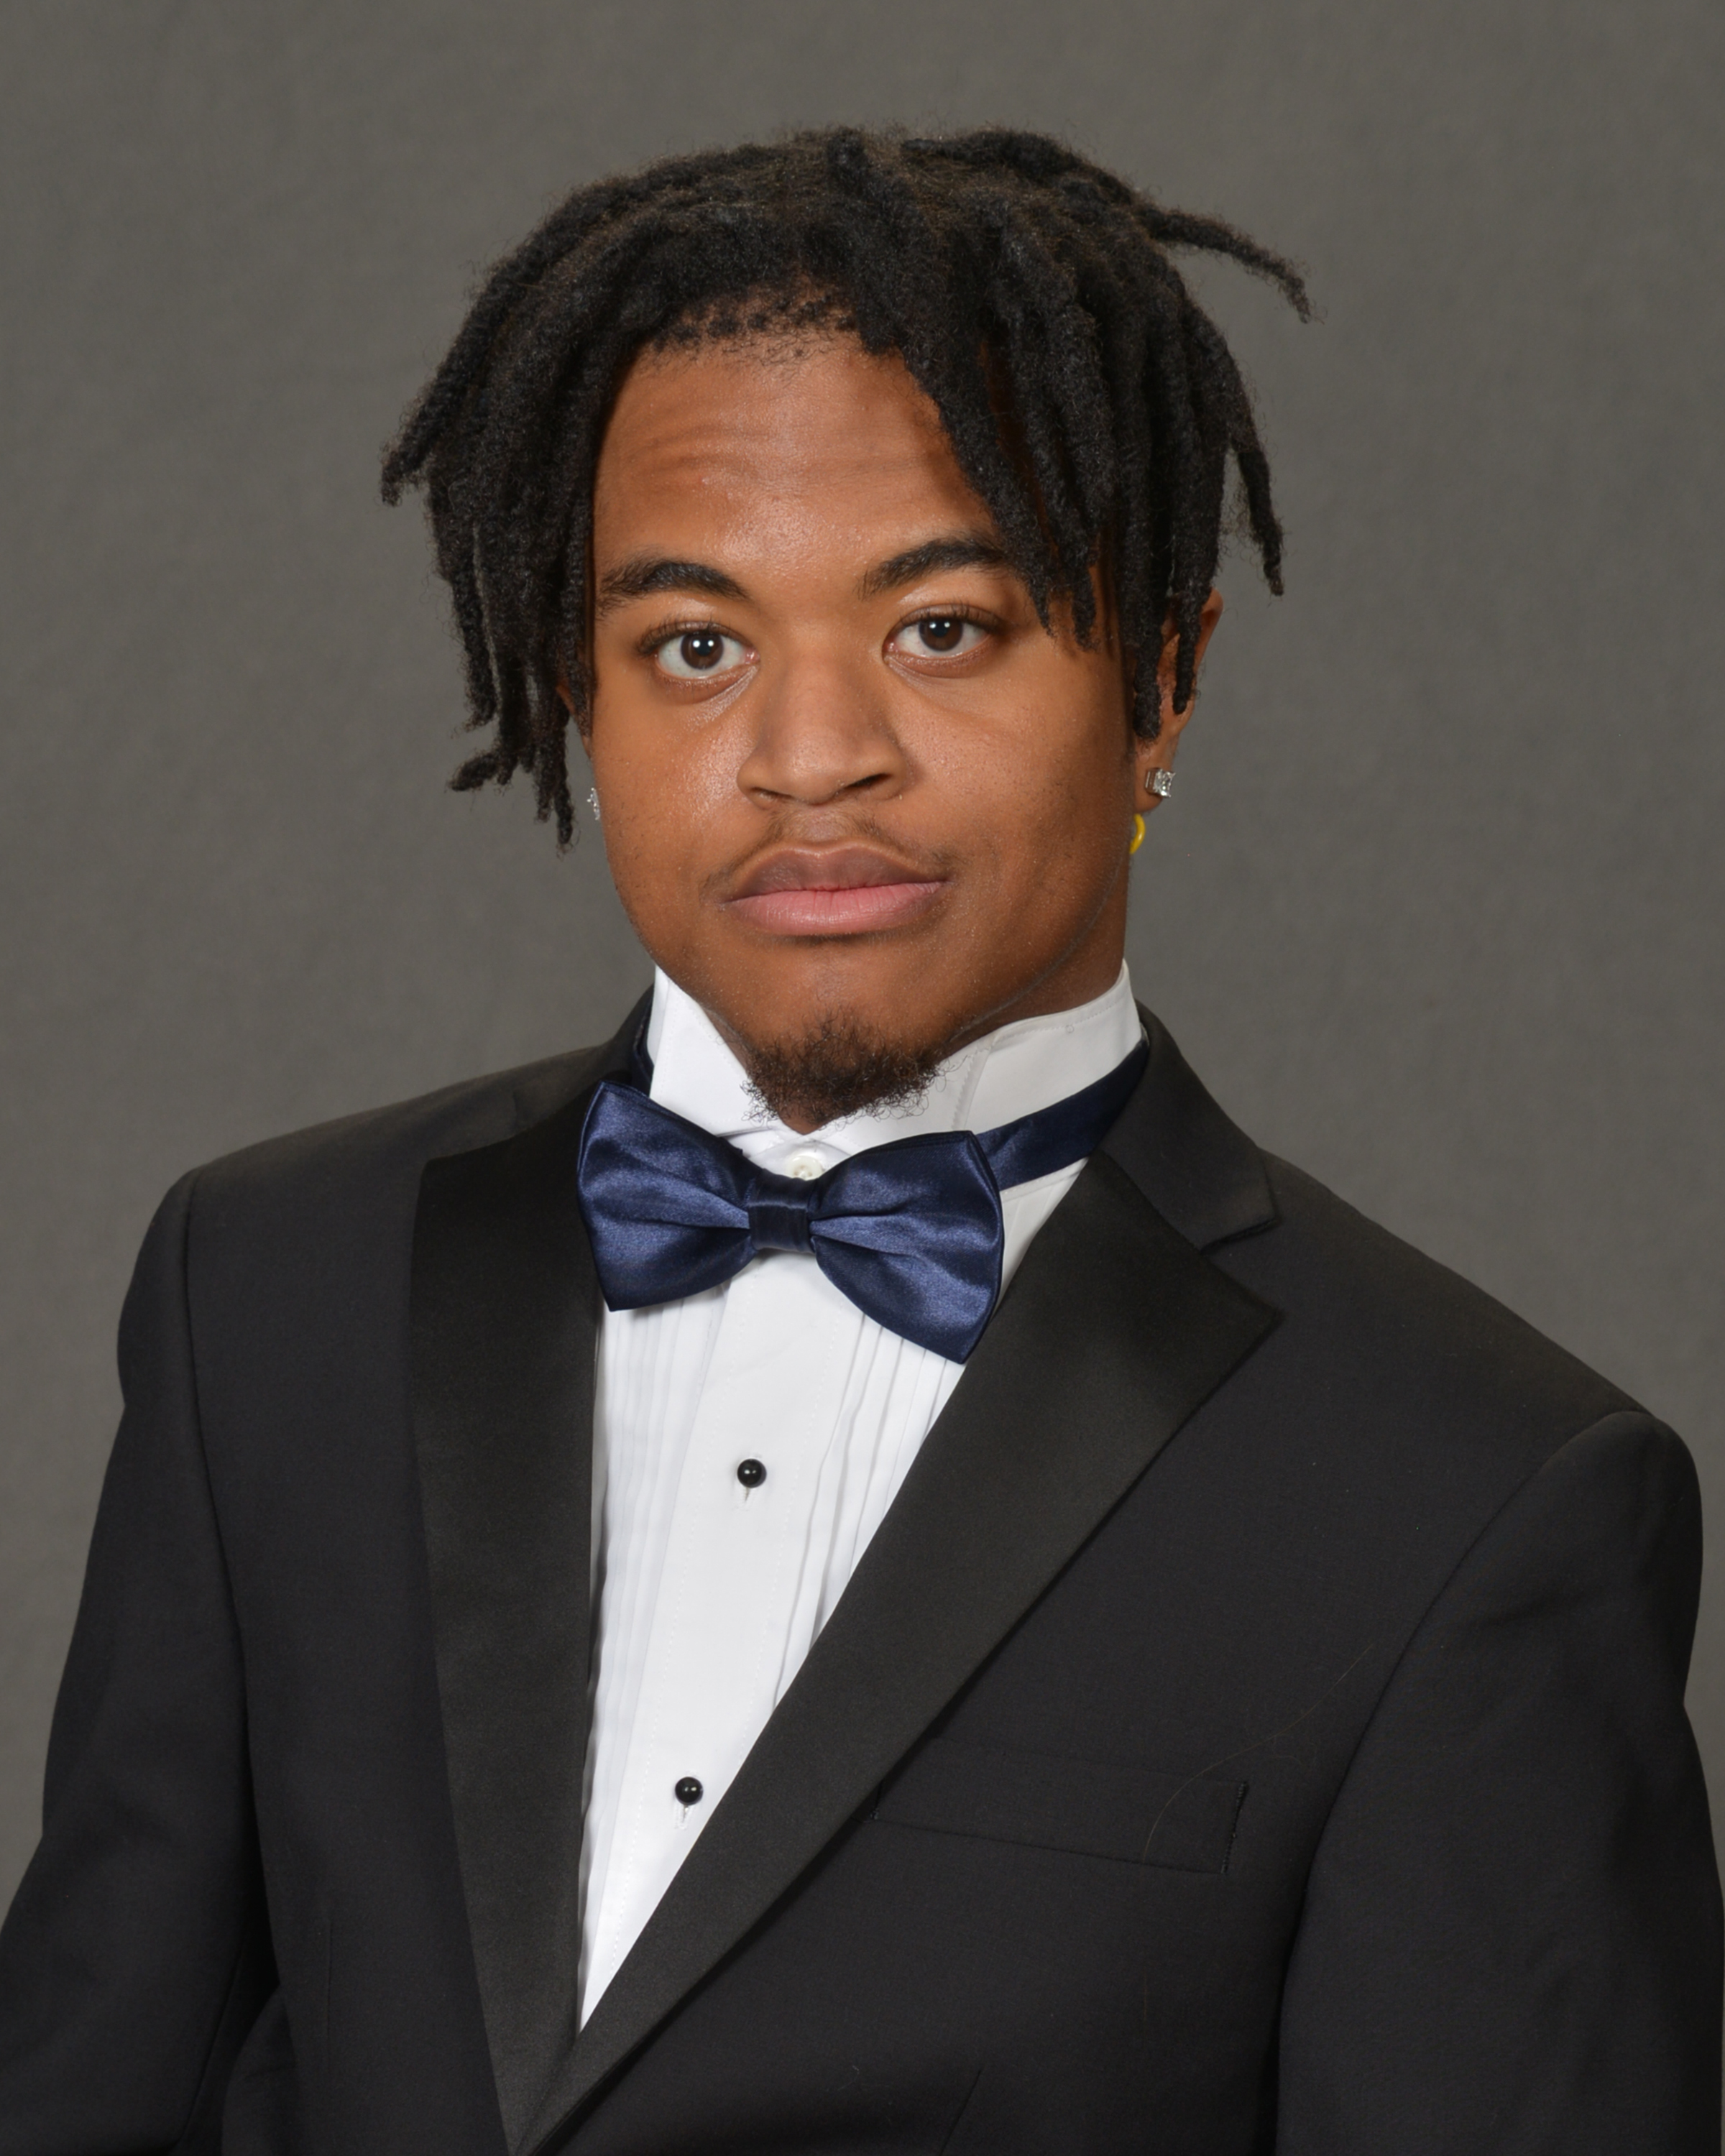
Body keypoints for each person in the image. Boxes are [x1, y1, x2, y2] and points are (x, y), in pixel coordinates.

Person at [0, 126, 1716, 2155]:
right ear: (578, 692)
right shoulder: (268, 1293)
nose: (811, 759)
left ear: (1164, 680)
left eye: (943, 628)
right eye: (696, 646)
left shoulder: (1478, 1497)